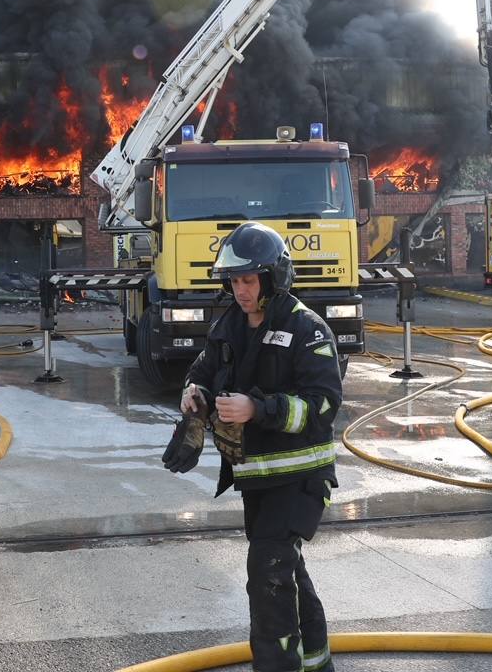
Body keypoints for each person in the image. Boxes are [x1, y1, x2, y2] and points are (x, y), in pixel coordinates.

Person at [161, 222, 343, 671]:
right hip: (257, 480)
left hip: (301, 479)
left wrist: (258, 410)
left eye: (248, 280)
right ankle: (316, 662)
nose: (240, 290)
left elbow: (323, 405)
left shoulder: (307, 329)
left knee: (267, 575)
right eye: (234, 281)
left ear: (273, 278)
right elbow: (203, 371)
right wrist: (194, 396)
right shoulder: (230, 327)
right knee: (284, 571)